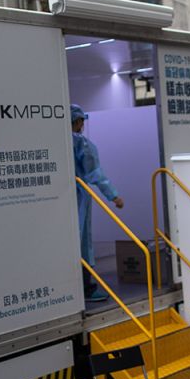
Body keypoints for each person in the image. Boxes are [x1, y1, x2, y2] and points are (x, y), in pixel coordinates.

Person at [72, 104, 124, 302]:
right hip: (79, 197)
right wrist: (114, 196)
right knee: (82, 242)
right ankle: (87, 288)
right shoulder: (81, 143)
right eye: (81, 122)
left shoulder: (58, 143)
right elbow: (95, 173)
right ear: (77, 122)